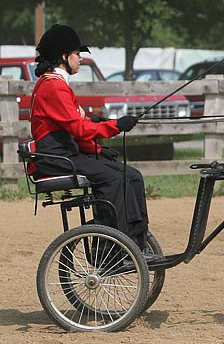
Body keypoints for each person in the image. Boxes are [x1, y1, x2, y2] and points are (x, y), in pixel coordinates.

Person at [30, 24, 152, 253]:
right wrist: (116, 126)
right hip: (55, 157)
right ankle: (109, 249)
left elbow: (74, 127)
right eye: (77, 54)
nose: (81, 59)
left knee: (132, 176)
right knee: (113, 179)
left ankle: (136, 239)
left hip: (67, 151)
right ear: (64, 56)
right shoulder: (53, 87)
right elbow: (78, 128)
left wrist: (97, 150)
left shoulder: (58, 85)